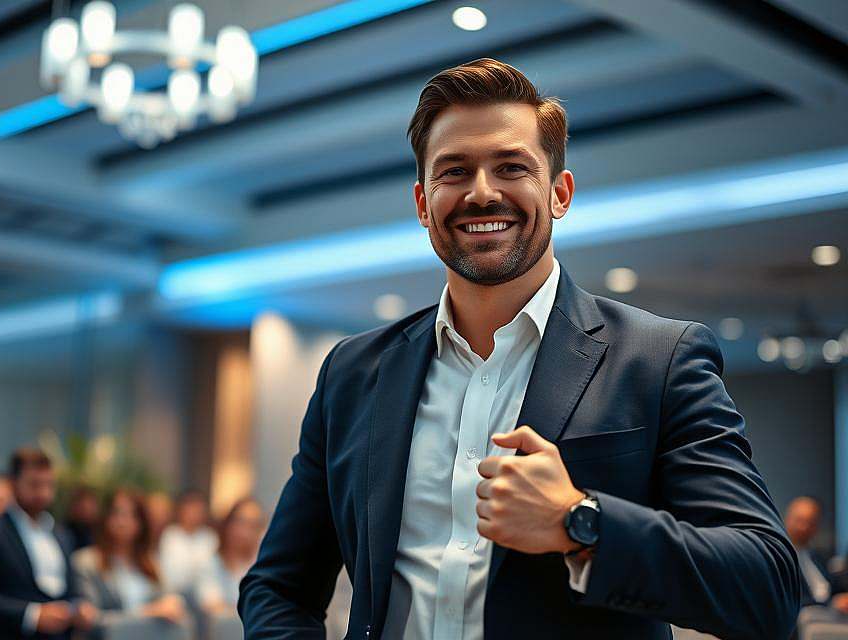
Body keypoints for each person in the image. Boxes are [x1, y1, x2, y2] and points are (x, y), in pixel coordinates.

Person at [239, 58, 800, 640]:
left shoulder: (658, 360)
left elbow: (769, 588)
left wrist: (578, 522)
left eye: (511, 167)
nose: (482, 193)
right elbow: (278, 586)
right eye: (453, 171)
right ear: (422, 203)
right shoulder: (353, 373)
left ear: (559, 193)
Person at [0, 448, 96, 640]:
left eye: (49, 485)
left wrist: (79, 606)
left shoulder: (61, 534)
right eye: (34, 485)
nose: (43, 493)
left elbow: (68, 590)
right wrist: (30, 615)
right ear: (13, 484)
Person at [73, 489, 188, 634]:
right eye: (116, 513)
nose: (122, 521)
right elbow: (90, 620)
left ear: (141, 523)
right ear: (106, 518)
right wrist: (146, 613)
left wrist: (174, 603)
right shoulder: (86, 562)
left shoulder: (150, 563)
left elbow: (167, 601)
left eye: (131, 515)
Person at [197, 498, 265, 616]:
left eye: (253, 526)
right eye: (240, 522)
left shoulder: (263, 567)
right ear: (227, 523)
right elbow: (213, 608)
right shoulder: (208, 563)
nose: (244, 532)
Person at [787, 497, 848, 630]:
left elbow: (831, 586)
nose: (804, 527)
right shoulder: (780, 558)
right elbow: (791, 600)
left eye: (811, 522)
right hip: (805, 621)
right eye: (800, 520)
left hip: (830, 618)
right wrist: (831, 604)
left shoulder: (816, 557)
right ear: (787, 519)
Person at [159, 490, 217, 595]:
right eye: (190, 508)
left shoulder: (210, 537)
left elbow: (212, 572)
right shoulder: (170, 535)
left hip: (205, 597)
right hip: (175, 594)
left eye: (198, 509)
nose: (194, 513)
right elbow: (169, 574)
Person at [63, 485, 100, 553]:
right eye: (83, 507)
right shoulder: (63, 534)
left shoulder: (100, 533)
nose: (87, 511)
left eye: (90, 506)